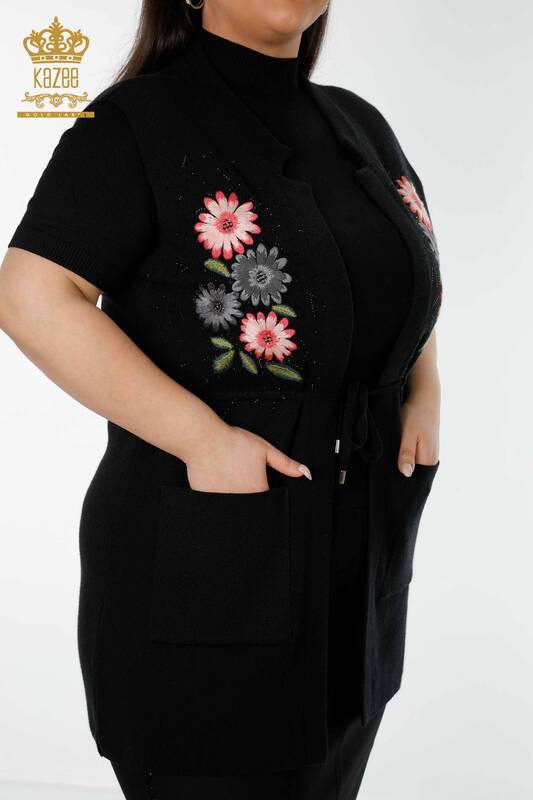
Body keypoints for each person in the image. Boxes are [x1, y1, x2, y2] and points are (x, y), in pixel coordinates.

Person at [0, 0, 443, 797]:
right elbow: (31, 295)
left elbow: (396, 276)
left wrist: (423, 387)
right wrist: (202, 439)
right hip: (205, 580)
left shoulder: (359, 125)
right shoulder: (133, 124)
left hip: (355, 589)